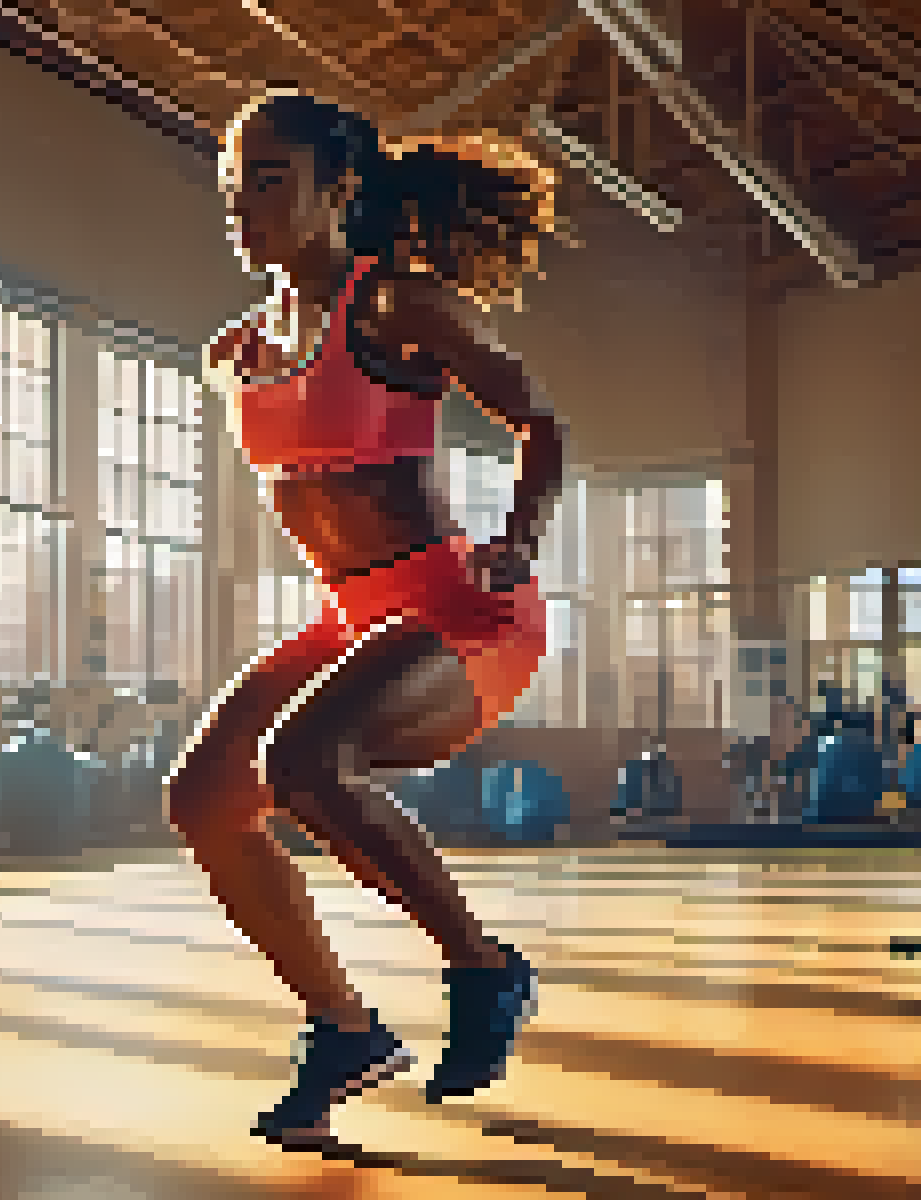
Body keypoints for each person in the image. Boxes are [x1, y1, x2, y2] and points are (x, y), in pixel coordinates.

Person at [177, 89, 566, 1146]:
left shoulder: (398, 307)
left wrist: (520, 539)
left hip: (461, 614)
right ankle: (342, 1029)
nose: (243, 205)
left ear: (338, 189)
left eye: (269, 179)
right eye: (231, 187)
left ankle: (484, 969)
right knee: (203, 797)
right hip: (355, 618)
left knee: (302, 762)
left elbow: (539, 421)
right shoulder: (238, 353)